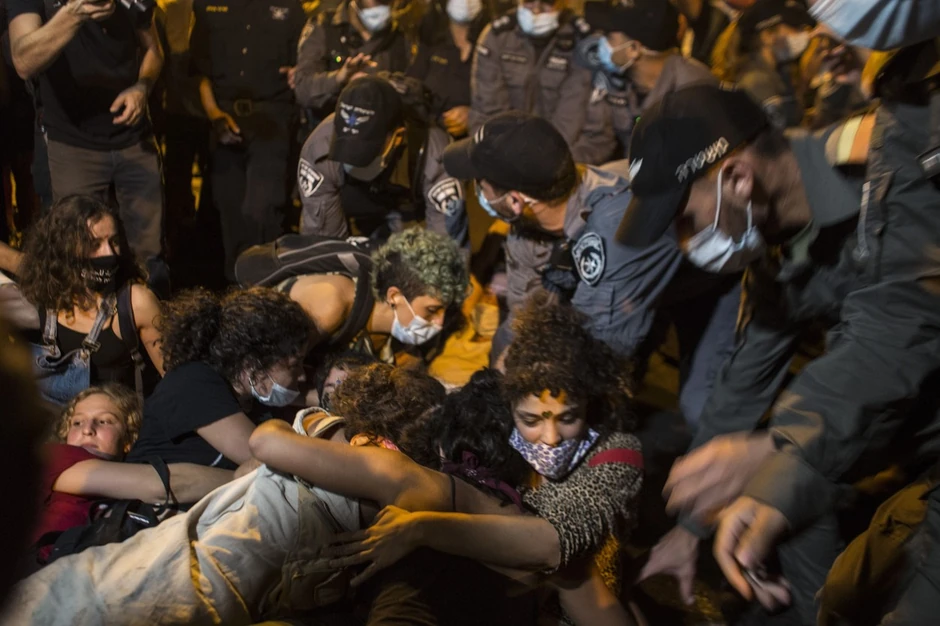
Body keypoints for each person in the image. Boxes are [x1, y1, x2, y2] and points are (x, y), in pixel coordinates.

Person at [616, 80, 937, 623]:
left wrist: (784, 448)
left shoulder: (891, 170)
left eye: (685, 221)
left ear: (737, 178)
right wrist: (690, 530)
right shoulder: (776, 242)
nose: (684, 244)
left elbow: (898, 328)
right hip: (906, 430)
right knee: (798, 528)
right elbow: (746, 376)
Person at [326, 295, 644, 622]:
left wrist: (421, 529)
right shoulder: (500, 426)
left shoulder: (616, 454)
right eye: (532, 421)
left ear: (589, 401)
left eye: (568, 418)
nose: (550, 437)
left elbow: (555, 545)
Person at [444, 111, 740, 425]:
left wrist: (527, 374)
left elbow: (604, 340)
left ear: (515, 200)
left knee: (700, 406)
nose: (477, 190)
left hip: (705, 281)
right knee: (509, 343)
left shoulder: (614, 222)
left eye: (481, 183)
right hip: (625, 289)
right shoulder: (530, 221)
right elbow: (525, 315)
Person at [7, 0, 167, 293]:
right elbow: (23, 61)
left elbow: (154, 51)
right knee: (79, 253)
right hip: (72, 141)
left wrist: (142, 86)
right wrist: (74, 13)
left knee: (149, 256)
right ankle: (85, 334)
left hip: (133, 137)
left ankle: (147, 327)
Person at [29, 384, 233, 566]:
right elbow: (165, 485)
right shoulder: (57, 456)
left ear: (128, 438)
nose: (88, 430)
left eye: (104, 421)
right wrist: (244, 476)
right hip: (43, 574)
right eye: (77, 423)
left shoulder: (126, 477)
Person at [125, 287, 313, 470]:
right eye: (295, 364)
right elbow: (267, 460)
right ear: (253, 363)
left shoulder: (248, 396)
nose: (302, 375)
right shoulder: (192, 384)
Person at [190, 0, 306, 281]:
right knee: (229, 213)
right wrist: (215, 115)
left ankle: (267, 287)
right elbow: (198, 71)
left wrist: (299, 75)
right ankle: (238, 290)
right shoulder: (208, 6)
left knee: (263, 209)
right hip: (224, 118)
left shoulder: (290, 9)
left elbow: (303, 68)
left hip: (273, 119)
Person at [13, 196, 163, 405]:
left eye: (114, 241)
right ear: (64, 249)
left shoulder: (135, 302)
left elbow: (175, 377)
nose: (109, 253)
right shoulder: (42, 295)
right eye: (94, 244)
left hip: (113, 427)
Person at [298, 76, 468, 246]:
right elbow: (322, 241)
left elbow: (446, 251)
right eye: (348, 150)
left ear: (397, 136)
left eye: (366, 153)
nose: (354, 163)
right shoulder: (319, 148)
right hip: (353, 202)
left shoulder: (437, 156)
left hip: (407, 207)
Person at [283, 227, 470, 362]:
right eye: (432, 310)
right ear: (394, 296)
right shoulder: (332, 302)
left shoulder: (397, 340)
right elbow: (271, 376)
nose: (440, 322)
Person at [469, 0, 615, 165]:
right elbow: (486, 112)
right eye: (529, 1)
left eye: (547, 2)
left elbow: (590, 130)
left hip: (566, 160)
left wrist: (553, 168)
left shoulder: (585, 44)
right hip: (504, 156)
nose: (536, 10)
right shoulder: (496, 35)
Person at [581, 0, 715, 155]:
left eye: (608, 37)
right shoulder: (618, 79)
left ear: (633, 49)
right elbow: (598, 140)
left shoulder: (695, 90)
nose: (600, 42)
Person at [292, 0, 409, 120]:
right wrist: (340, 78)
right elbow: (303, 89)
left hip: (382, 132)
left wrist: (384, 84)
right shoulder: (324, 26)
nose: (382, 7)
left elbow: (417, 91)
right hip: (329, 130)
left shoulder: (402, 36)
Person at [711, 0, 816, 129]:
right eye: (794, 28)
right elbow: (782, 137)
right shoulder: (757, 82)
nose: (803, 33)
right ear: (767, 36)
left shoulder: (779, 72)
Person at [406, 0, 490, 138]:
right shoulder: (429, 41)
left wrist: (473, 115)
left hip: (479, 142)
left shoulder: (494, 45)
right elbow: (412, 92)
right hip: (431, 141)